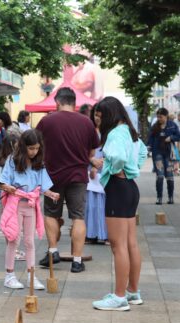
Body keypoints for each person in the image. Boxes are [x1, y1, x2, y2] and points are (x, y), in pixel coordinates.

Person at [92, 96, 147, 311]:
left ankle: (119, 297)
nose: (97, 120)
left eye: (99, 116)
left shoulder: (115, 133)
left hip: (118, 187)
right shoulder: (129, 130)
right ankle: (132, 292)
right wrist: (132, 170)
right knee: (131, 243)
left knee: (118, 245)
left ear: (109, 115)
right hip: (130, 188)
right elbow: (141, 152)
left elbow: (118, 157)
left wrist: (114, 168)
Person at [36, 87, 99, 273]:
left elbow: (36, 146)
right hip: (78, 176)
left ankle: (53, 252)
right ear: (74, 102)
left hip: (53, 176)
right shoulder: (86, 122)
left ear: (57, 102)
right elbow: (92, 152)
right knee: (78, 217)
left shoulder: (46, 121)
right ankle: (77, 261)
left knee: (51, 214)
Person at [0, 130, 60, 290]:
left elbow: (42, 186)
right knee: (13, 240)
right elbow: (2, 182)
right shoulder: (12, 160)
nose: (34, 152)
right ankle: (9, 275)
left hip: (31, 205)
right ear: (23, 146)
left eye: (37, 148)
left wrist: (51, 193)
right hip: (16, 204)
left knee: (29, 241)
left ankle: (31, 276)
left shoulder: (39, 163)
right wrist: (8, 187)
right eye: (31, 148)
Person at [85, 104, 108, 245]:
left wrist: (100, 163)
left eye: (100, 115)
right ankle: (91, 234)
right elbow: (84, 151)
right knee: (91, 205)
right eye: (95, 115)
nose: (97, 118)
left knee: (103, 205)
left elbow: (113, 154)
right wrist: (92, 162)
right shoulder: (90, 131)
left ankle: (104, 234)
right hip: (90, 174)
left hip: (105, 173)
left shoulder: (110, 133)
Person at [147, 108, 180, 204]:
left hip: (169, 155)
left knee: (170, 176)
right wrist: (149, 148)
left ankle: (170, 198)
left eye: (160, 117)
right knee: (160, 176)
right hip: (157, 154)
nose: (159, 119)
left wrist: (171, 138)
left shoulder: (172, 125)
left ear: (166, 116)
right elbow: (150, 139)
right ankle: (159, 198)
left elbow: (178, 136)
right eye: (157, 117)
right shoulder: (155, 126)